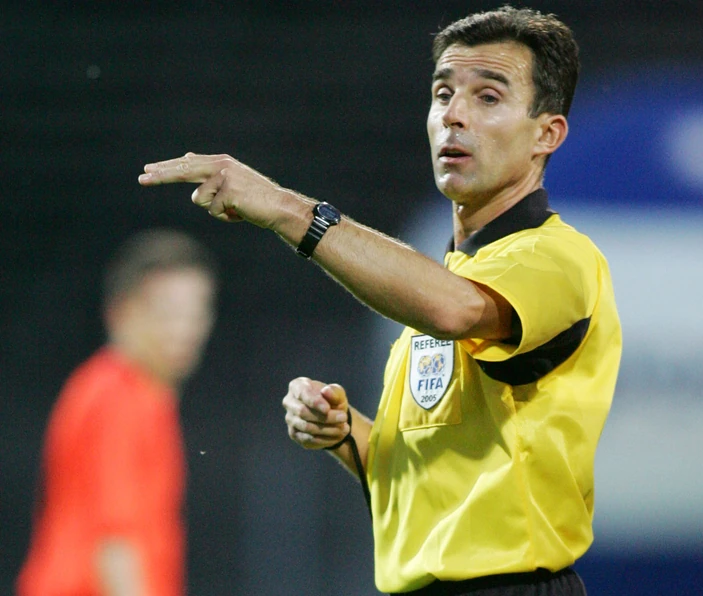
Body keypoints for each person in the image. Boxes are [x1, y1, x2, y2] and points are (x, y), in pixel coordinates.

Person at [138, 6, 621, 595]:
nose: (454, 114)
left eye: (488, 97)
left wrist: (287, 209)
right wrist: (345, 434)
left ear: (547, 134)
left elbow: (456, 311)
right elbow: (424, 488)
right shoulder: (450, 279)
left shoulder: (558, 258)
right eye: (443, 93)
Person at [17, 229, 218, 596]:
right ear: (121, 312)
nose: (185, 329)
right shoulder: (117, 397)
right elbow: (115, 542)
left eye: (196, 313)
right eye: (168, 313)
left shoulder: (144, 397)